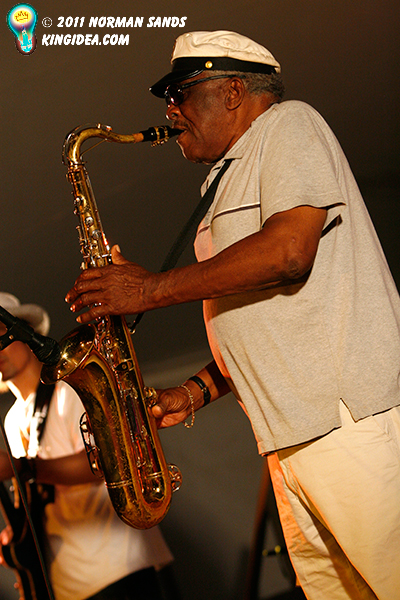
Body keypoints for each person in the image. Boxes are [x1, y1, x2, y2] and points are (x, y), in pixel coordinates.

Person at [65, 30, 400, 600]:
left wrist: (147, 290)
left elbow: (288, 253)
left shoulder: (289, 124)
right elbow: (262, 316)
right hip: (290, 440)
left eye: (181, 93)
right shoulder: (224, 180)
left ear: (233, 92)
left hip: (345, 426)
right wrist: (193, 392)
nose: (170, 111)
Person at [0, 292, 174, 600]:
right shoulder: (12, 421)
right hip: (67, 583)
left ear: (26, 332)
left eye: (2, 334)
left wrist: (22, 467)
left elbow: (109, 461)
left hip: (120, 567)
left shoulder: (69, 388)